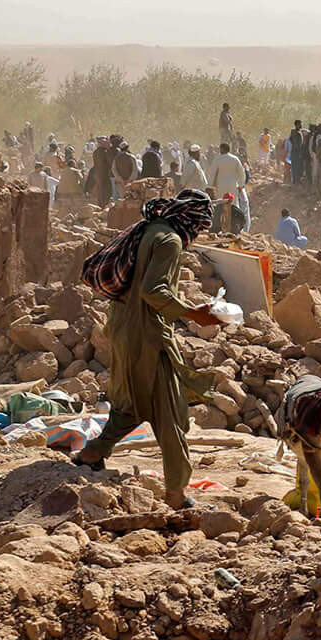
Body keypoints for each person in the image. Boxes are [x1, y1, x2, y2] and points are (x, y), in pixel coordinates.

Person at [74, 190, 224, 509]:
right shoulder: (169, 241)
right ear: (192, 220)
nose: (198, 234)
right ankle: (176, 491)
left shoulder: (151, 228)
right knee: (168, 410)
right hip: (146, 336)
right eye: (199, 227)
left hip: (123, 328)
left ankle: (92, 453)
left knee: (133, 401)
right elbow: (153, 291)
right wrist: (194, 313)